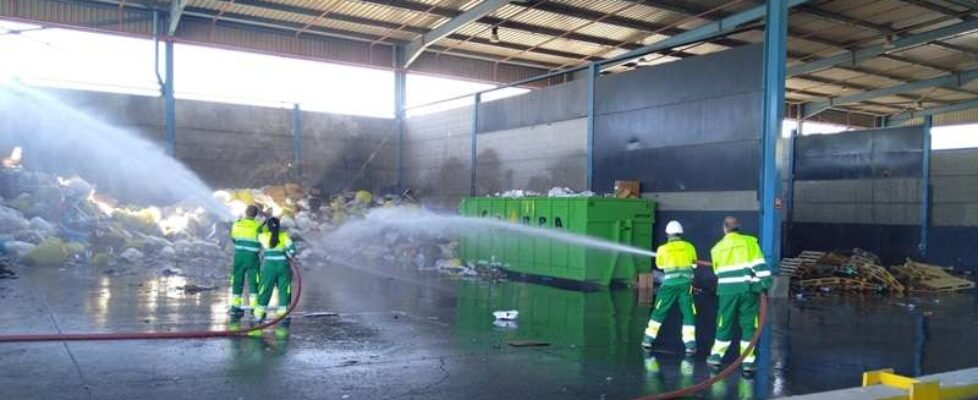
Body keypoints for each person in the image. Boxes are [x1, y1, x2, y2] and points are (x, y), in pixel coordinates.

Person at [707, 217, 772, 372]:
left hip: (727, 292)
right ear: (739, 228)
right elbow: (759, 265)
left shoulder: (716, 248)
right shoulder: (749, 242)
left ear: (724, 228)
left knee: (724, 322)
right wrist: (764, 283)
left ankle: (716, 356)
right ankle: (747, 361)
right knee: (749, 325)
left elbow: (717, 271)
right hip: (747, 290)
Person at [642, 220, 699, 356]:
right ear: (681, 234)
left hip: (669, 286)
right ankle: (690, 345)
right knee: (688, 313)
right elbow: (695, 265)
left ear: (668, 234)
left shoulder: (662, 249)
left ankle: (647, 340)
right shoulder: (689, 247)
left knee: (659, 311)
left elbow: (660, 266)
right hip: (685, 285)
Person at [253, 217, 297, 330]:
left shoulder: (264, 236)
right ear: (279, 226)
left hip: (269, 267)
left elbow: (257, 232)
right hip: (283, 267)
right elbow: (293, 250)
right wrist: (288, 255)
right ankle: (283, 314)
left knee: (265, 289)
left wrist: (262, 224)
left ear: (268, 227)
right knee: (284, 290)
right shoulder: (284, 236)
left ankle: (259, 314)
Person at [228, 205, 264, 316]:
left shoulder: (237, 224)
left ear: (245, 212)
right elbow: (264, 241)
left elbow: (233, 238)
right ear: (256, 214)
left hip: (239, 256)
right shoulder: (259, 226)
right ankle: (254, 307)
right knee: (254, 281)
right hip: (252, 257)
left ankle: (235, 307)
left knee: (237, 280)